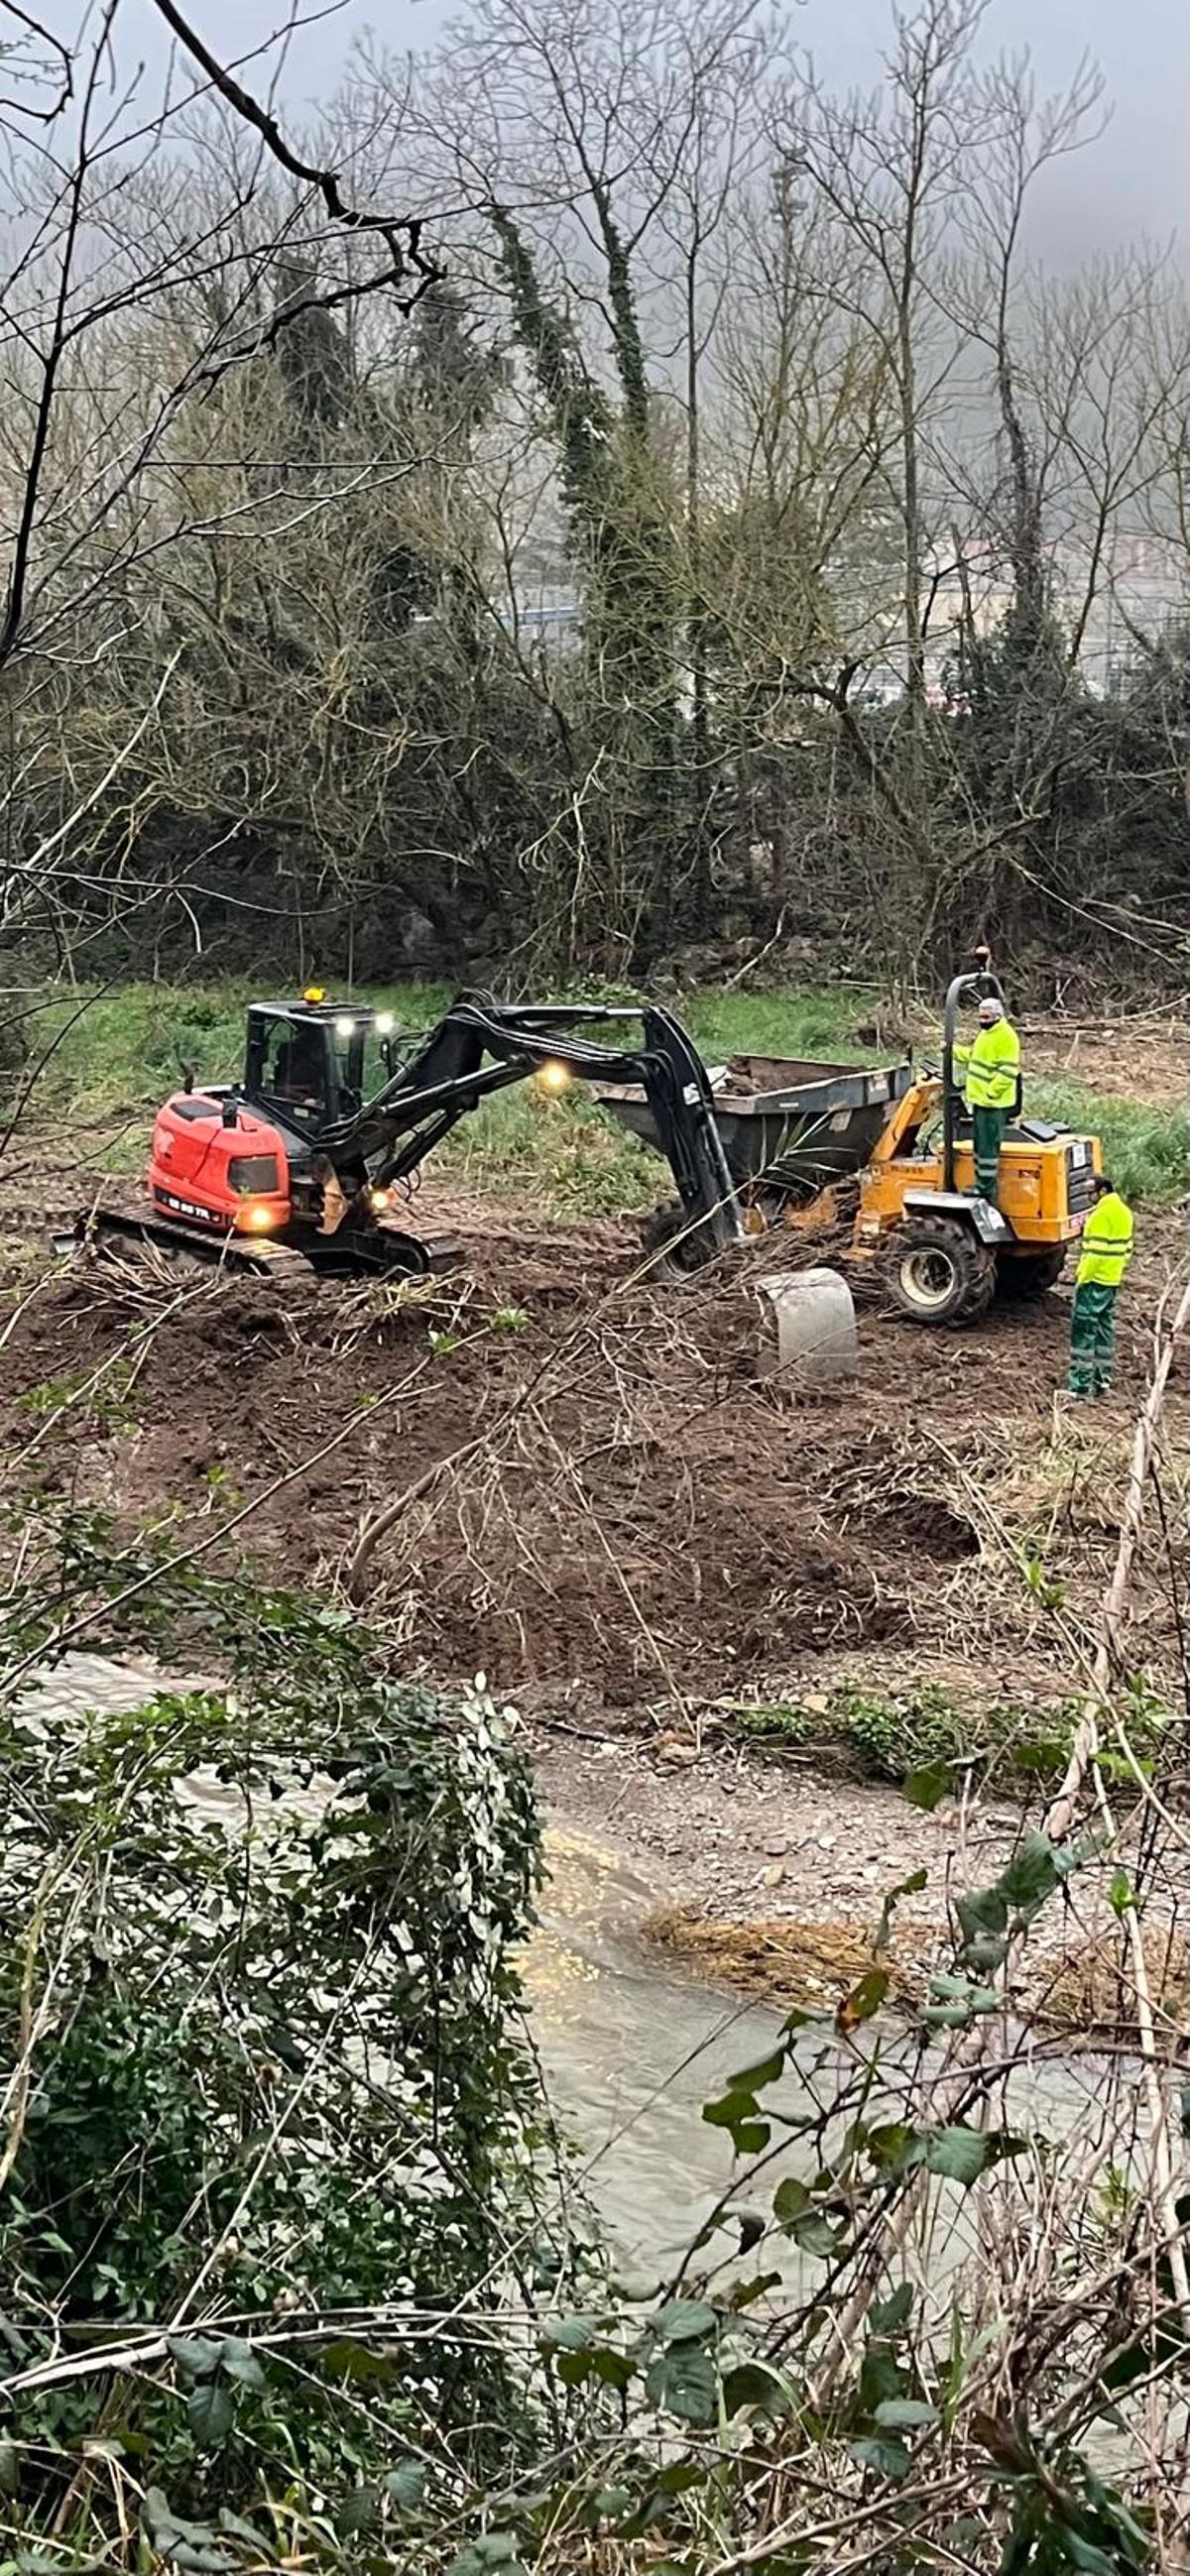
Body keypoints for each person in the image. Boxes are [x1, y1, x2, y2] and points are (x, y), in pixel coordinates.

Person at [1068, 1174, 1133, 1398]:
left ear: (1102, 1191)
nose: (1088, 1196)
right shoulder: (1125, 1213)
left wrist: (1082, 1278)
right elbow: (1126, 1251)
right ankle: (1103, 1380)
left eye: (1091, 1192)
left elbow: (1094, 1254)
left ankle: (1080, 1386)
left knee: (1083, 1332)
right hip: (1111, 1280)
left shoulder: (1099, 1216)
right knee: (1105, 1331)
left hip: (1093, 1281)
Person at [954, 994, 1020, 1207]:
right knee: (980, 1145)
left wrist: (991, 1093)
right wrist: (952, 1051)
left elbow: (1008, 1072)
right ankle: (981, 1183)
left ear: (997, 1016)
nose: (982, 1021)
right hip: (981, 1101)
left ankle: (985, 1189)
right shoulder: (987, 1034)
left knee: (988, 1149)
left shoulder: (1006, 1037)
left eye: (986, 1018)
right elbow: (975, 1056)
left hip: (993, 1103)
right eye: (980, 1018)